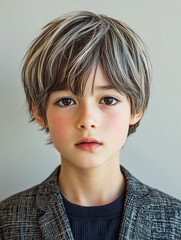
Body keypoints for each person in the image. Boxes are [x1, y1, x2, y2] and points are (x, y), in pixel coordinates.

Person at [0, 11, 181, 240]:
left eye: (108, 100)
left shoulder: (175, 220)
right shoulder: (7, 224)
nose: (87, 120)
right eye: (66, 101)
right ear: (39, 112)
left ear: (136, 109)